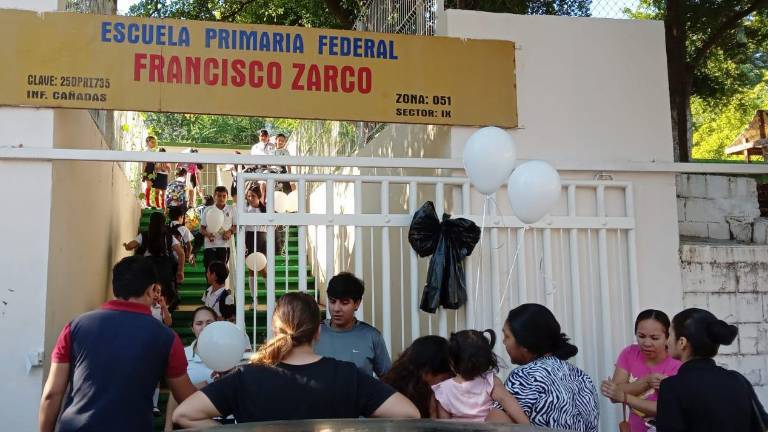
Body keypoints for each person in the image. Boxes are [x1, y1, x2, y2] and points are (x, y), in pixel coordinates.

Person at [172, 292, 420, 427]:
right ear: (318, 331)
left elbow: (184, 414)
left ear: (275, 331)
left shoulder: (247, 377)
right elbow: (409, 414)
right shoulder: (347, 374)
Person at [39, 256, 196, 432]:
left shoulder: (75, 326)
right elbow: (186, 398)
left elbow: (52, 394)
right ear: (152, 290)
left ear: (116, 288)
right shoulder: (167, 337)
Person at [489, 303, 599, 431]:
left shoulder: (525, 376)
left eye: (507, 336)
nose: (503, 341)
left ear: (525, 344)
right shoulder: (583, 378)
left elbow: (496, 422)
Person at [656, 308, 768, 431]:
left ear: (682, 342)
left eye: (670, 334)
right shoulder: (738, 380)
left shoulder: (672, 387)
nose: (667, 341)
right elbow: (761, 424)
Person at [600, 309, 681, 431]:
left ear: (667, 337)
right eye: (641, 336)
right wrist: (646, 381)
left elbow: (667, 408)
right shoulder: (629, 353)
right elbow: (614, 394)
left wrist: (625, 396)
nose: (647, 343)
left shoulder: (677, 362)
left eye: (654, 338)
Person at [433, 330, 528, 423]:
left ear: (451, 362)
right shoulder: (490, 380)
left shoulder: (442, 390)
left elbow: (444, 424)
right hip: (487, 429)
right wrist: (528, 426)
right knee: (501, 417)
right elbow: (508, 402)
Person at [314, 272, 391, 377]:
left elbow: (389, 379)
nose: (336, 309)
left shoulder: (372, 336)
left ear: (357, 303)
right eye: (332, 301)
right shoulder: (315, 333)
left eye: (344, 303)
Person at [164, 306, 218, 432]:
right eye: (199, 323)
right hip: (190, 421)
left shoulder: (231, 353)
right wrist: (168, 427)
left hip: (226, 419)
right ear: (192, 328)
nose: (204, 327)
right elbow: (174, 393)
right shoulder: (182, 354)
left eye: (209, 323)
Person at [124, 212, 185, 310]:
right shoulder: (169, 236)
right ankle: (165, 312)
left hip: (148, 266)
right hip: (165, 267)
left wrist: (126, 246)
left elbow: (131, 246)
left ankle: (148, 310)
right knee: (165, 292)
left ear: (150, 222)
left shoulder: (144, 234)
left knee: (147, 290)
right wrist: (180, 270)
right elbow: (181, 253)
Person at [381, 335, 453, 418]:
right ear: (426, 374)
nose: (451, 382)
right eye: (446, 378)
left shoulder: (389, 390)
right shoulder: (392, 402)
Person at [200, 186, 235, 271]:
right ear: (214, 196)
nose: (221, 198)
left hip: (224, 246)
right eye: (219, 195)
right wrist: (208, 235)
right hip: (209, 246)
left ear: (227, 197)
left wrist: (229, 232)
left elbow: (236, 226)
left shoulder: (232, 209)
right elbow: (202, 228)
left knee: (221, 272)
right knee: (209, 271)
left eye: (224, 196)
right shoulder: (208, 210)